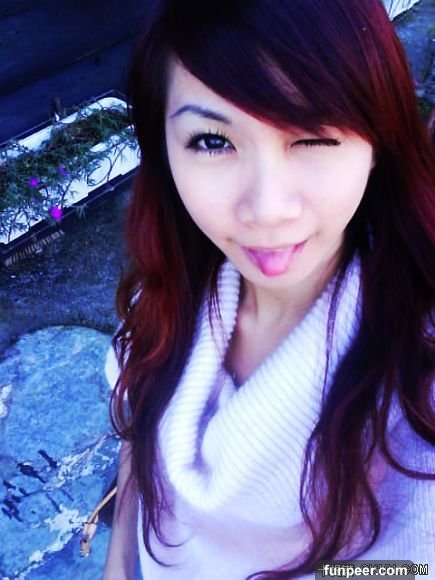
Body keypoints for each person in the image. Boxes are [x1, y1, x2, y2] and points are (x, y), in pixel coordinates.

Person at [103, 0, 435, 578]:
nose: (267, 209)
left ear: (378, 142)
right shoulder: (167, 292)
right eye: (212, 141)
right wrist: (118, 565)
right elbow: (141, 428)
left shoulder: (416, 380)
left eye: (314, 138)